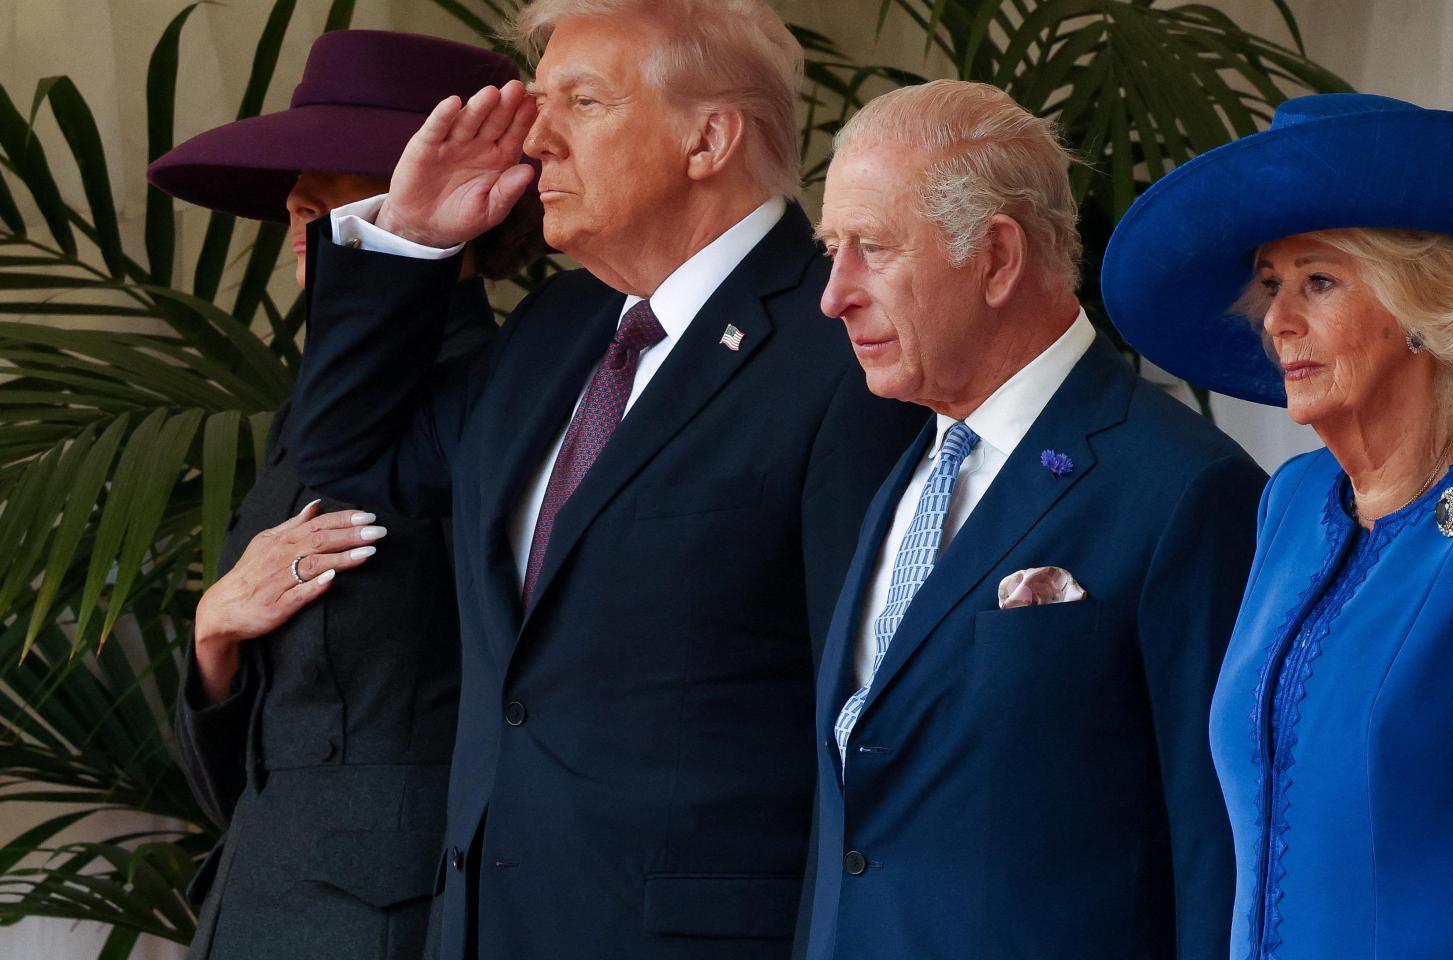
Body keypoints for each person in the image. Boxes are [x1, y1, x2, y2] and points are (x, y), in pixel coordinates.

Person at [280, 2, 925, 958]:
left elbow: (873, 724)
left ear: (708, 139)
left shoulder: (849, 349)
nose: (536, 138)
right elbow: (351, 458)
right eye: (539, 104)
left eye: (581, 102)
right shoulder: (554, 328)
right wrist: (409, 238)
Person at [1102, 92, 1453, 959]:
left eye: (1318, 281)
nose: (1277, 319)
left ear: (1427, 307)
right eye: (1272, 284)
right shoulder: (1292, 502)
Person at [802, 79, 1266, 960]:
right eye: (833, 249)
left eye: (873, 248)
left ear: (996, 257)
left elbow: (1217, 852)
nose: (835, 294)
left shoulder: (1185, 487)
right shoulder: (905, 468)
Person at [148, 30, 543, 960]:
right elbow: (265, 758)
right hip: (253, 900)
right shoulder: (305, 419)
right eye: (299, 182)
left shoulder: (506, 393)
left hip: (403, 914)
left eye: (344, 177)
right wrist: (214, 630)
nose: (300, 203)